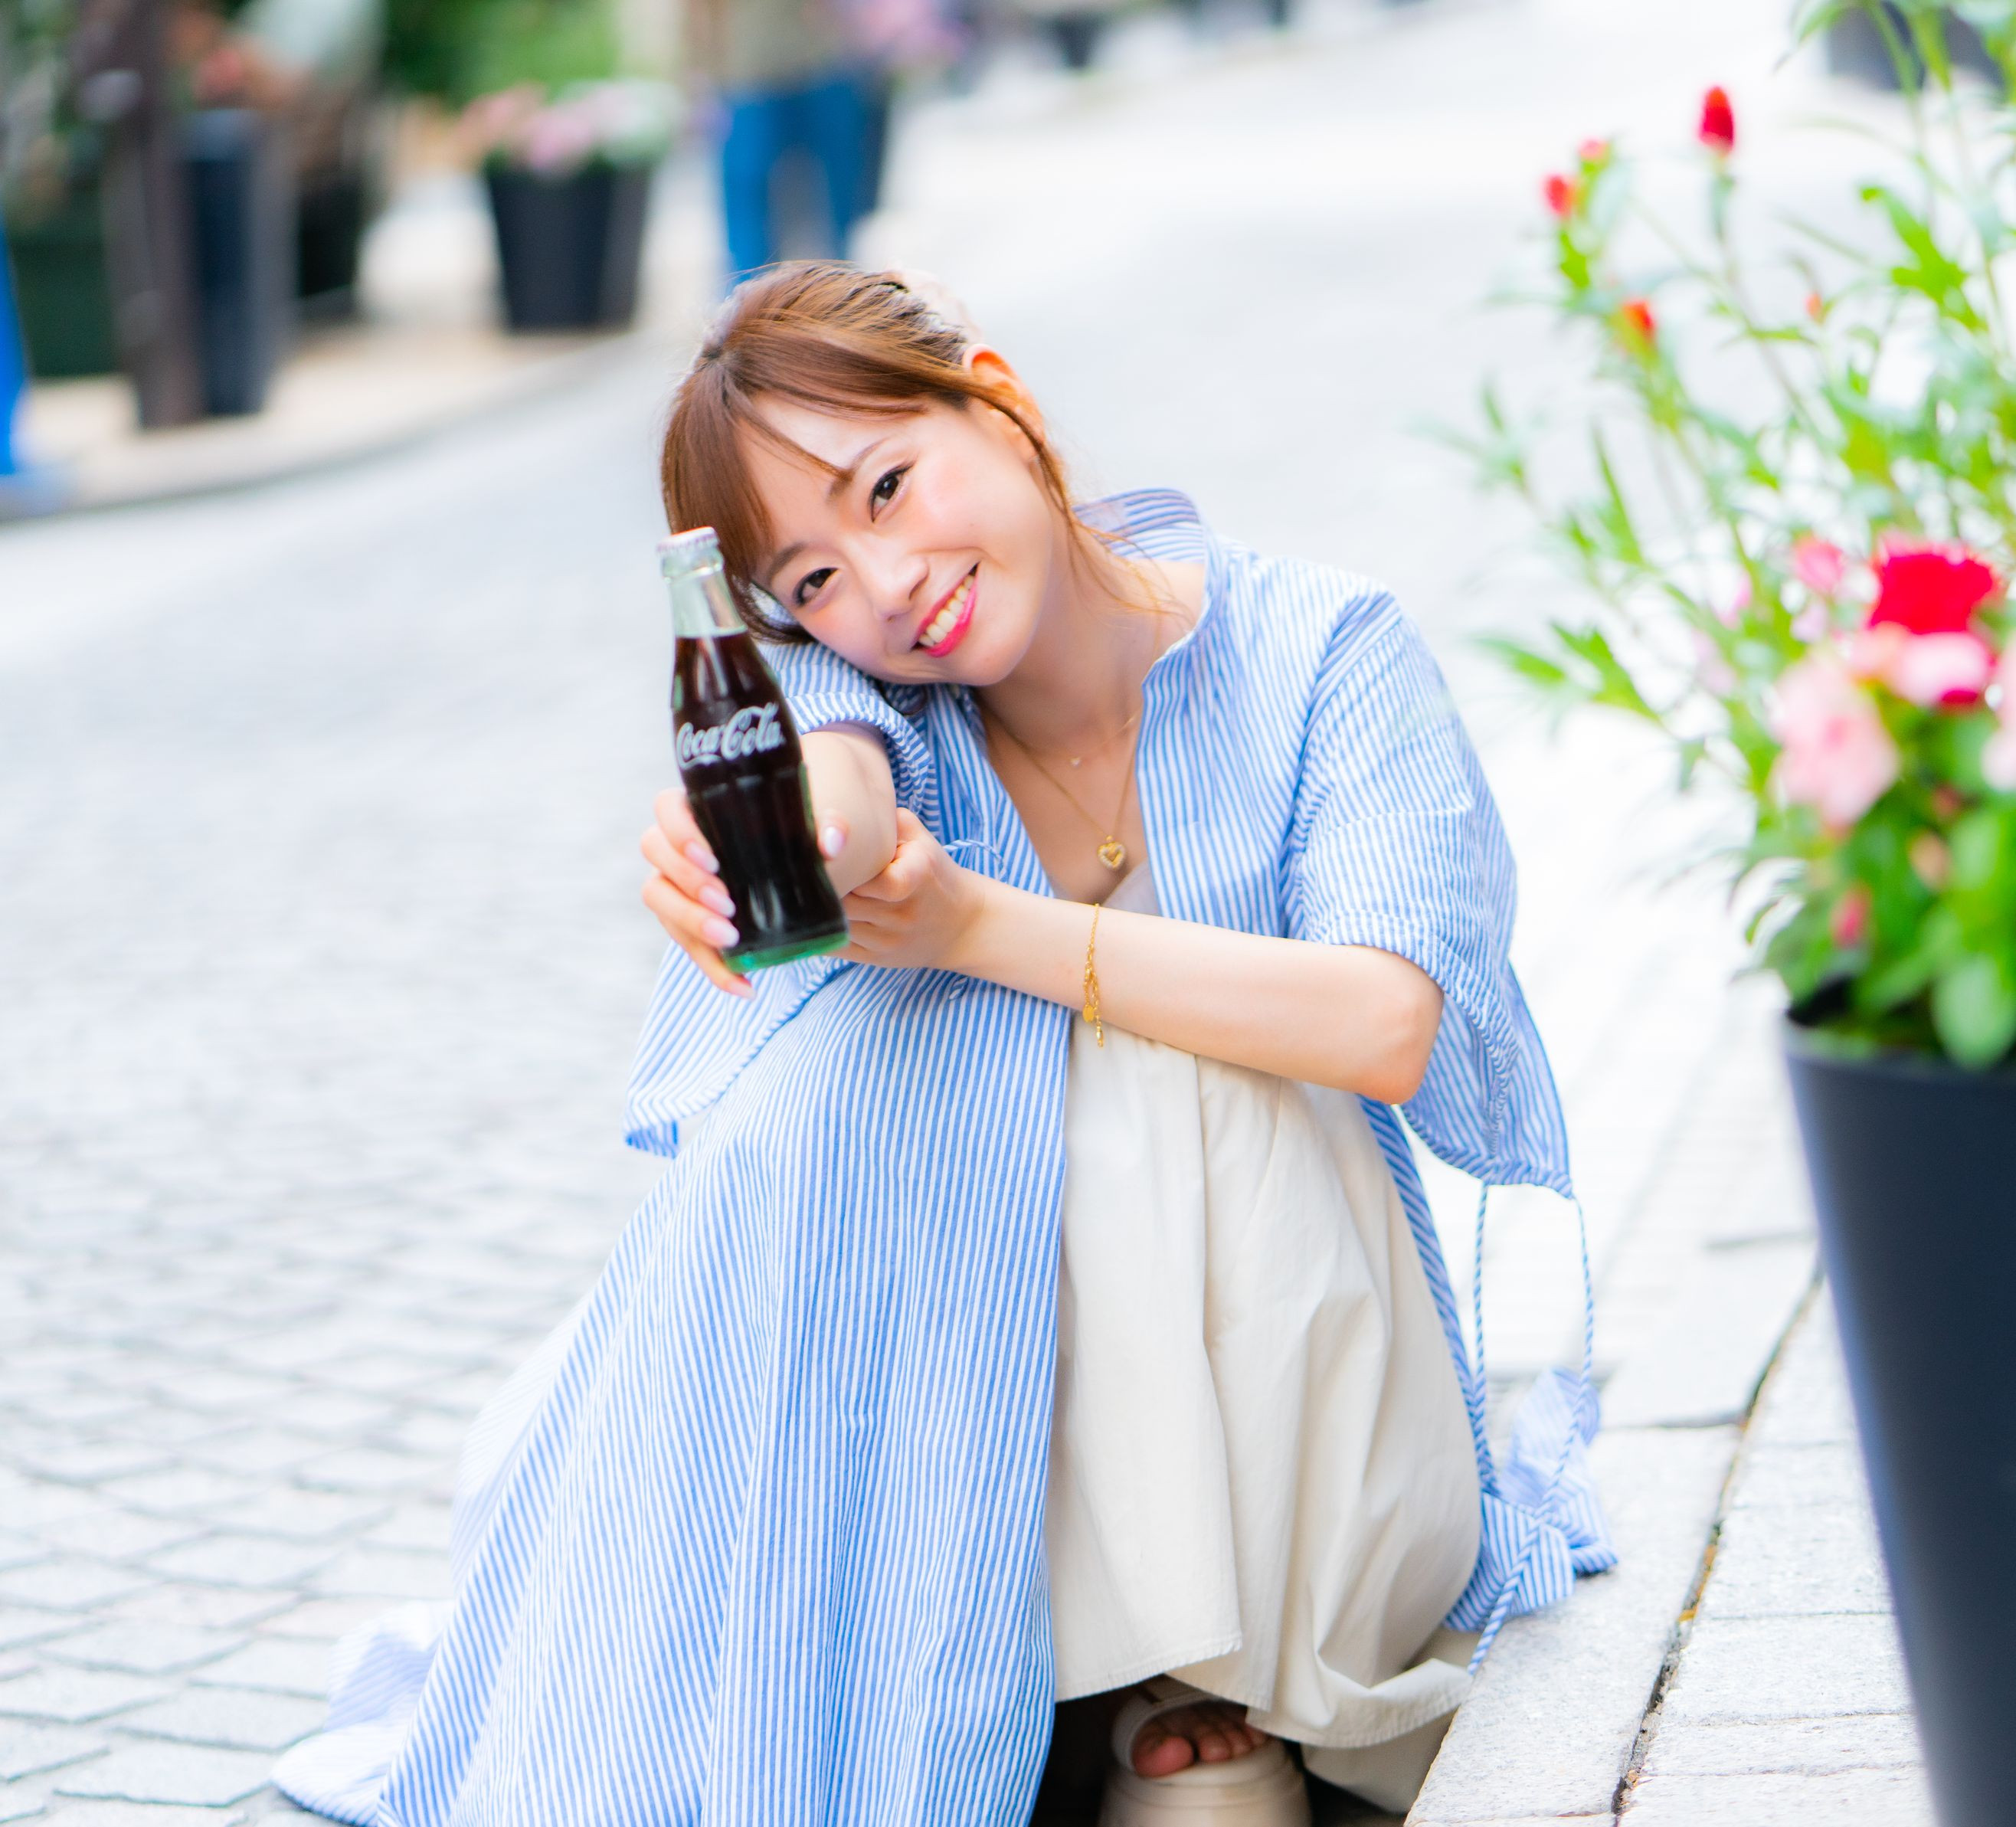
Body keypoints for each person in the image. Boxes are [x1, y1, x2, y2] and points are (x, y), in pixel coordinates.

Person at [272, 262, 1608, 1827]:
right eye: (816, 576)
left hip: (1314, 1435)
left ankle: (1208, 1689)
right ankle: (1078, 1707)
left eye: (890, 487)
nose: (889, 584)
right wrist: (759, 838)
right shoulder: (857, 684)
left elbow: (1383, 1022)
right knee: (886, 1080)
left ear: (1002, 404)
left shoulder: (1324, 649)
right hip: (993, 1447)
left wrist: (979, 927)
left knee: (1187, 1068)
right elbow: (830, 788)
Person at [686, 0, 880, 282]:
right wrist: (700, 75)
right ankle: (748, 293)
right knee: (749, 204)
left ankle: (843, 287)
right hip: (750, 75)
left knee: (839, 200)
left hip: (823, 62)